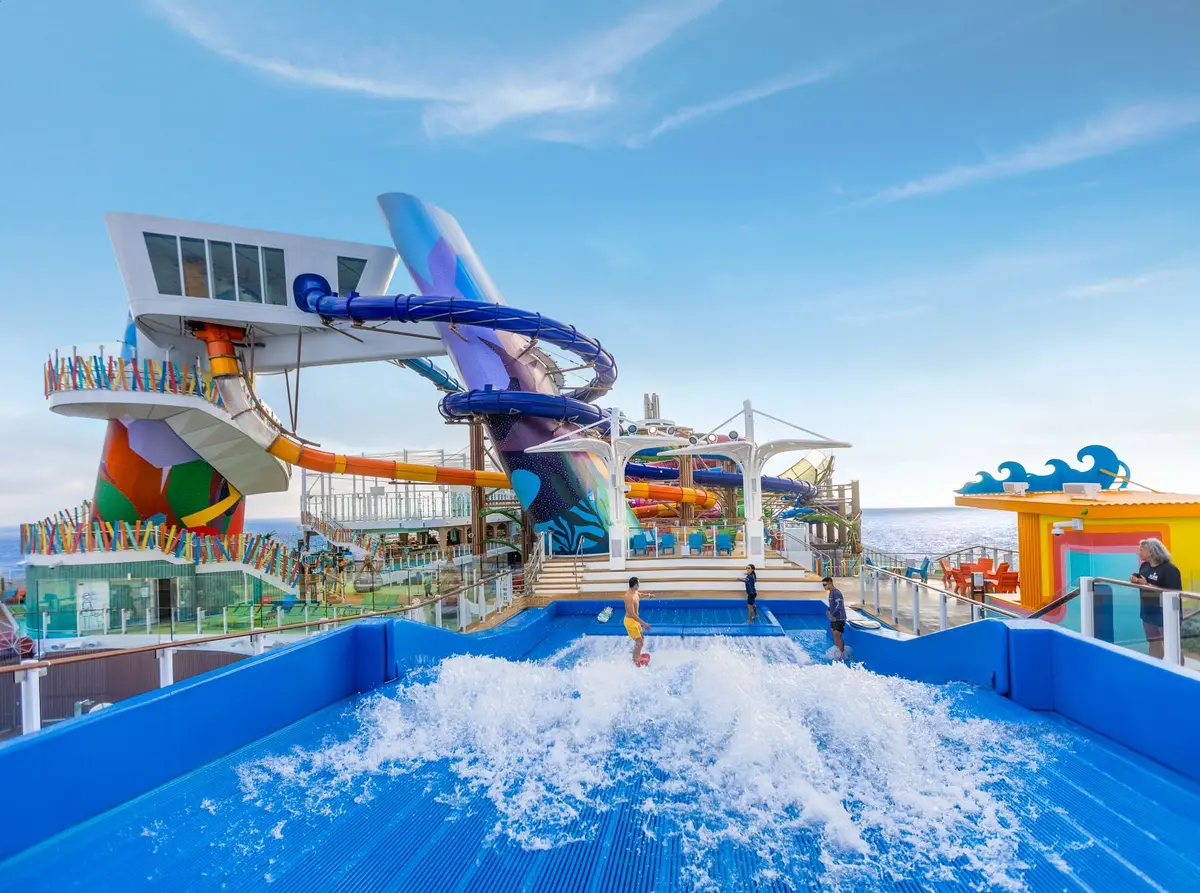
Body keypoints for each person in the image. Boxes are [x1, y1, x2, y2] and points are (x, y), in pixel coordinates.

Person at [1130, 537, 1182, 660]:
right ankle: (1156, 666)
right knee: (1153, 642)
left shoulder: (1170, 569)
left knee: (1172, 645)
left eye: (1142, 550)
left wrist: (1147, 584)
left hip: (1166, 613)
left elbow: (1175, 593)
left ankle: (1179, 670)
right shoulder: (1144, 566)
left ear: (1152, 552)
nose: (1139, 552)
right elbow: (1144, 581)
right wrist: (1135, 579)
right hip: (1148, 611)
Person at [623, 576, 651, 665]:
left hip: (635, 621)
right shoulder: (628, 597)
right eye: (638, 584)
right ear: (634, 585)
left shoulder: (634, 592)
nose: (639, 585)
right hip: (630, 622)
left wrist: (649, 595)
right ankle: (635, 660)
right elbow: (632, 614)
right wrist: (644, 624)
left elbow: (640, 594)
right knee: (639, 642)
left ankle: (637, 656)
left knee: (641, 639)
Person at [823, 576, 846, 659]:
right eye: (823, 585)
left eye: (825, 585)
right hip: (834, 618)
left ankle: (843, 654)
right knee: (834, 633)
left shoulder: (837, 593)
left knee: (837, 635)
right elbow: (833, 604)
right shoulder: (831, 592)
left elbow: (839, 606)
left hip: (839, 618)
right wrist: (829, 609)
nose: (824, 587)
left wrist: (832, 614)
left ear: (830, 583)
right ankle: (838, 652)